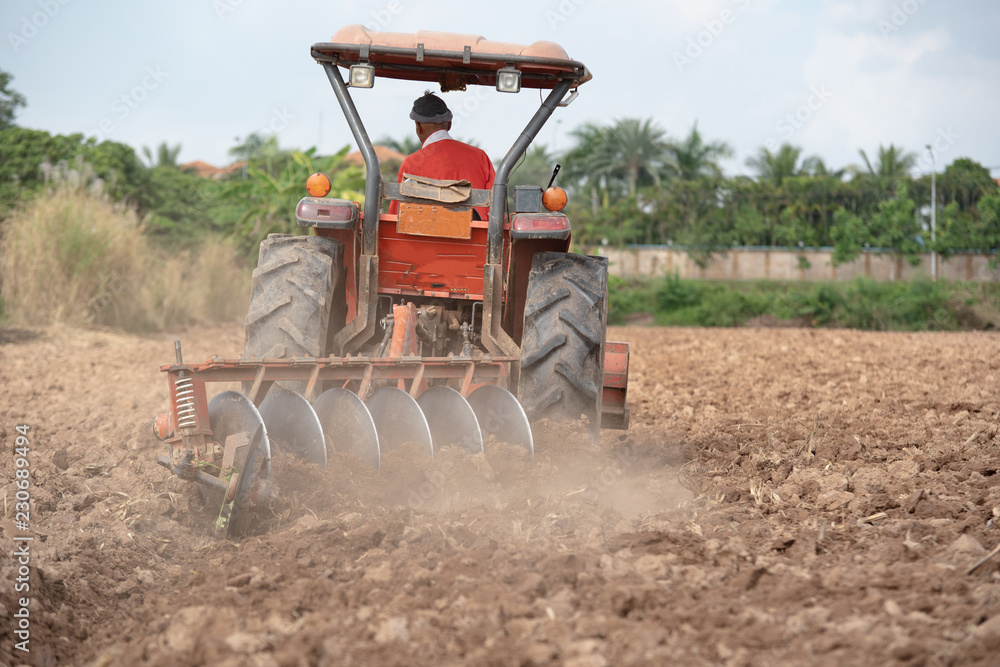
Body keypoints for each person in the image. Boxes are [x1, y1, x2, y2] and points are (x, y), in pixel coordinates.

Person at [389, 91, 495, 221]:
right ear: (449, 124)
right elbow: (496, 210)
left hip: (425, 239)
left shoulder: (411, 163)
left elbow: (396, 217)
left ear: (418, 127)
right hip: (476, 240)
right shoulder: (480, 157)